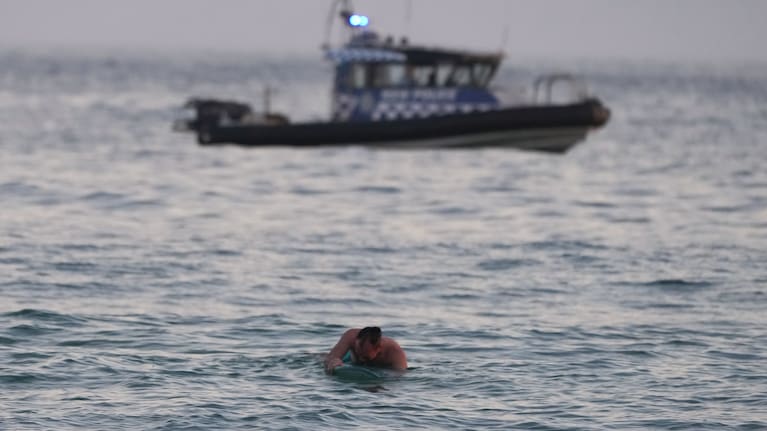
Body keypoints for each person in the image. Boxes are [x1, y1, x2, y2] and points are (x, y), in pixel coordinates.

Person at [324, 326, 407, 373]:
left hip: (379, 368)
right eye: (358, 353)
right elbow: (331, 357)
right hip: (349, 358)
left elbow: (399, 377)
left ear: (379, 349)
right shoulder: (350, 336)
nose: (360, 359)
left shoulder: (395, 353)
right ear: (355, 341)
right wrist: (333, 362)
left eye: (365, 356)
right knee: (321, 358)